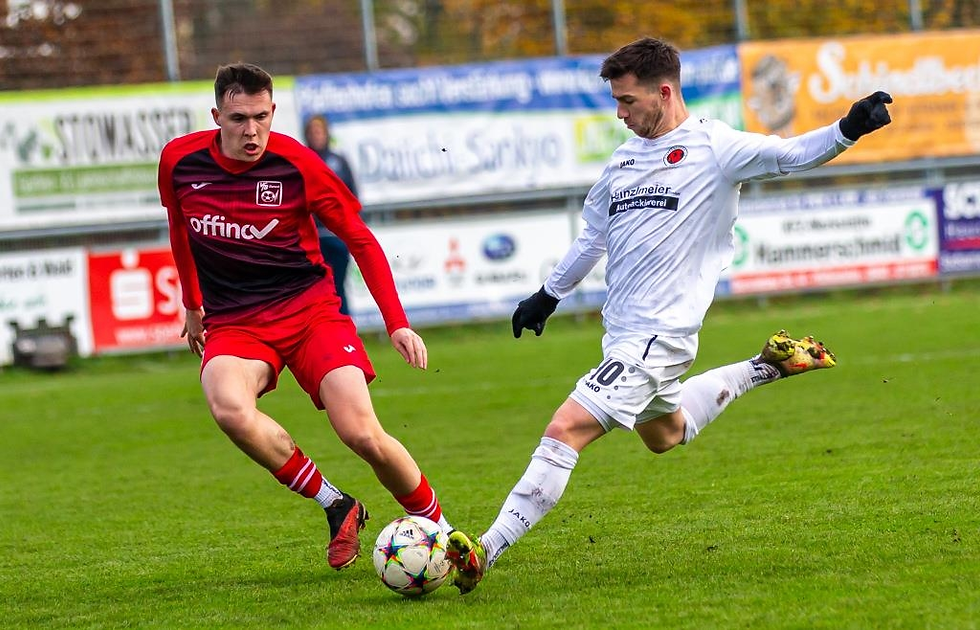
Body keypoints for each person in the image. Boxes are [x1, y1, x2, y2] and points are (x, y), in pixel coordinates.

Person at [444, 37, 892, 594]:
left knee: (564, 429)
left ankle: (485, 549)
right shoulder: (622, 161)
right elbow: (593, 237)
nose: (619, 113)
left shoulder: (715, 146)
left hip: (659, 337)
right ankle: (767, 366)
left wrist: (847, 129)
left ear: (663, 91)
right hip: (623, 336)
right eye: (616, 101)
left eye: (627, 101)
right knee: (665, 432)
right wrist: (548, 295)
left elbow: (789, 154)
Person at [158, 62, 451, 571]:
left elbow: (360, 238)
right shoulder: (179, 162)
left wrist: (396, 321)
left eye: (262, 117)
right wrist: (192, 304)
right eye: (238, 118)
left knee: (361, 433)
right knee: (229, 408)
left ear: (273, 112)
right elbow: (179, 229)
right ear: (217, 117)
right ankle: (337, 504)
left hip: (311, 313)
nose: (252, 131)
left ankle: (445, 534)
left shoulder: (297, 164)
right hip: (236, 322)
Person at [304, 114, 357, 315]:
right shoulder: (301, 160)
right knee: (316, 289)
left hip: (337, 235)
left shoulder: (339, 161)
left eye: (319, 131)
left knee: (339, 286)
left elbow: (353, 196)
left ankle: (346, 326)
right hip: (313, 237)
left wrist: (349, 228)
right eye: (312, 132)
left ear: (326, 134)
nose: (316, 135)